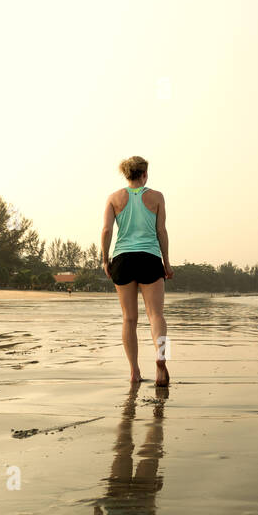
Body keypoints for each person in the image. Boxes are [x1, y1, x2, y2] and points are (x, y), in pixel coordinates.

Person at [102, 156, 173, 385]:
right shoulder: (157, 197)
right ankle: (162, 358)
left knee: (129, 319)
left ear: (126, 174)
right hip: (150, 258)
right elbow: (161, 231)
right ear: (144, 174)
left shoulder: (114, 198)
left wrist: (105, 259)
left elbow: (106, 231)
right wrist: (167, 262)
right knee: (156, 315)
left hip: (122, 258)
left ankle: (134, 371)